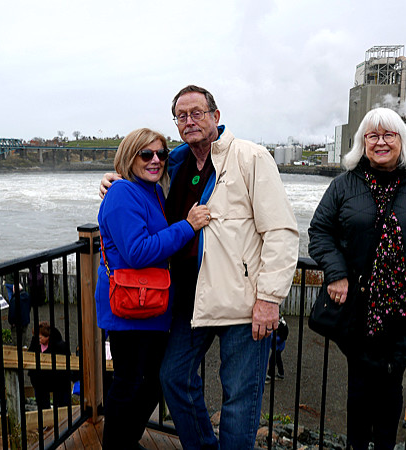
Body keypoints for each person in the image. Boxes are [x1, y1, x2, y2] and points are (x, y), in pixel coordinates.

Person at [100, 85, 299, 449]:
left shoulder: (250, 157)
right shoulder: (174, 164)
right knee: (173, 377)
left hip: (242, 301)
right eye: (181, 115)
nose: (189, 120)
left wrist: (270, 298)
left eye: (197, 112)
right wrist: (115, 182)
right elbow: (137, 186)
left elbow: (281, 230)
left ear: (215, 117)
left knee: (239, 399)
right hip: (190, 298)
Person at [308, 107, 406, 450]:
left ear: (401, 141)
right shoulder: (344, 185)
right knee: (359, 391)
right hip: (358, 311)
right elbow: (320, 232)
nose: (380, 142)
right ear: (363, 143)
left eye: (388, 135)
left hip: (403, 312)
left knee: (391, 393)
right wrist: (337, 273)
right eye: (373, 136)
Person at [95, 127, 210, 449]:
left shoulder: (154, 190)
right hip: (131, 308)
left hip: (151, 304)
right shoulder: (122, 193)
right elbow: (138, 251)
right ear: (130, 157)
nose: (156, 160)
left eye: (161, 153)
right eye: (146, 154)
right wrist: (187, 226)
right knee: (129, 383)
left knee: (149, 384)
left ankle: (126, 441)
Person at [27, 321, 72, 409]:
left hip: (57, 379)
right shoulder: (35, 343)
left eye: (40, 337)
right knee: (42, 402)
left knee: (61, 403)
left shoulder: (60, 345)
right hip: (40, 380)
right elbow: (29, 356)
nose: (38, 340)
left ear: (47, 336)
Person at [266, 316, 289, 383]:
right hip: (275, 346)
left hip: (278, 346)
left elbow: (283, 337)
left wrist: (273, 338)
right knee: (278, 360)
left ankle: (269, 376)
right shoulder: (276, 323)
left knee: (272, 360)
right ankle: (281, 374)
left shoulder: (282, 325)